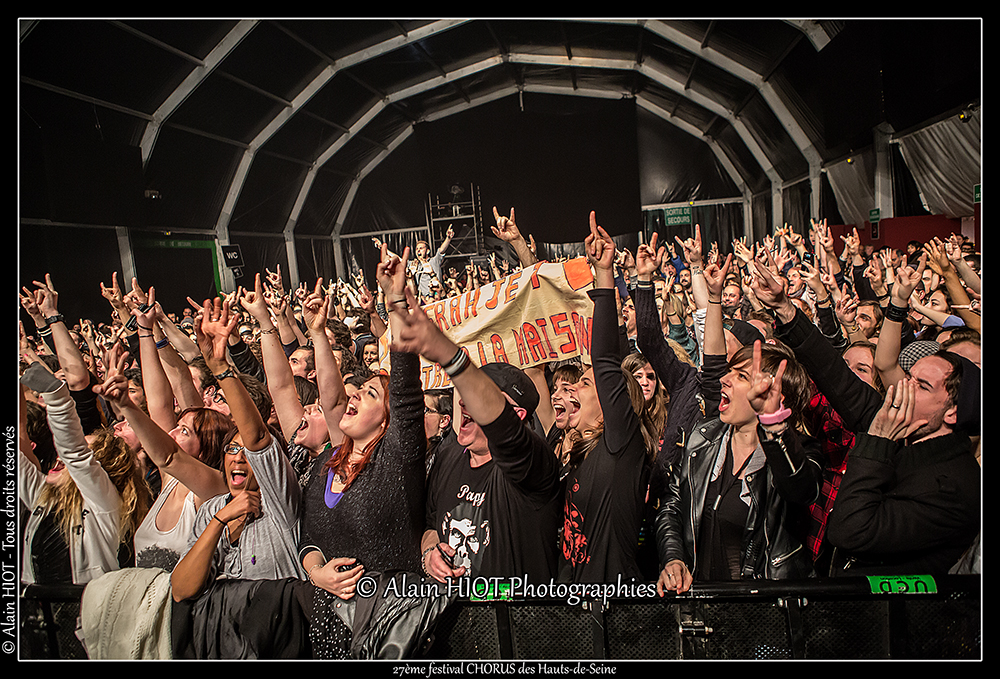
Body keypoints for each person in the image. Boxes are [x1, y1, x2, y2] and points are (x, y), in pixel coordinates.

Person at [756, 251, 981, 576]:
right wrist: (785, 308)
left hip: (887, 608)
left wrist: (876, 441)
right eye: (909, 377)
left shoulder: (955, 488)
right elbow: (834, 374)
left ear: (952, 412)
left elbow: (851, 531)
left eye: (921, 386)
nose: (904, 387)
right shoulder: (901, 425)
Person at [655, 251, 822, 595]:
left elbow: (801, 491)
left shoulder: (799, 451)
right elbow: (672, 507)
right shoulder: (705, 436)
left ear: (775, 394)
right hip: (701, 603)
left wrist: (773, 424)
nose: (725, 380)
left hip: (765, 613)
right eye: (731, 372)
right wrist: (673, 558)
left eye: (742, 376)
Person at [297, 245, 428, 658]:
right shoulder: (326, 463)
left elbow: (405, 389)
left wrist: (395, 300)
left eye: (369, 394)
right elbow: (309, 539)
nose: (352, 396)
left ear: (388, 421)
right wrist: (317, 574)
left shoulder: (396, 460)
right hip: (329, 627)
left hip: (391, 626)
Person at [386, 277, 561, 585]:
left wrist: (448, 354)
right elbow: (430, 525)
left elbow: (502, 427)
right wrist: (429, 554)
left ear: (517, 415)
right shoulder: (449, 454)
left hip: (514, 613)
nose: (465, 402)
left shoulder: (533, 464)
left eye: (480, 395)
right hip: (454, 613)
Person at [170, 296, 305, 603]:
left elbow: (257, 437)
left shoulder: (280, 503)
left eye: (247, 452)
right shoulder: (212, 510)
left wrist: (221, 368)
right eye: (232, 449)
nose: (239, 458)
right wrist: (221, 520)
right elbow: (181, 589)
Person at [556, 213, 660, 584]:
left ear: (612, 402)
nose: (572, 388)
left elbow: (603, 359)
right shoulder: (581, 450)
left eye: (586, 383)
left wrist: (604, 272)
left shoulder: (621, 446)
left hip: (614, 606)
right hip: (570, 602)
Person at [20, 360, 151, 586]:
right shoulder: (44, 497)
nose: (59, 457)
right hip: (36, 607)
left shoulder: (104, 504)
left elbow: (74, 453)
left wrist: (56, 396)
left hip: (86, 607)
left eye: (85, 454)